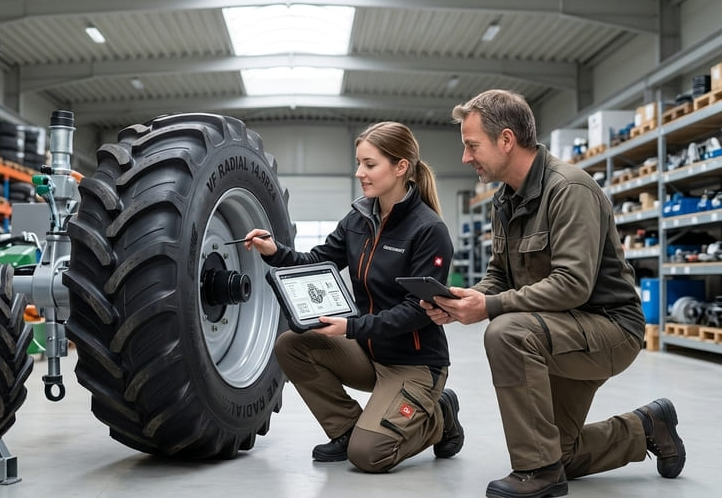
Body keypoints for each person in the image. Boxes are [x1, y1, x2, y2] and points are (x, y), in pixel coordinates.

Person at [421, 89, 685, 498]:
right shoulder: (505, 200)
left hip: (609, 328)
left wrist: (490, 308)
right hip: (559, 328)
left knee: (506, 332)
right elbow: (499, 274)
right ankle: (648, 427)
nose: (466, 158)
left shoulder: (569, 189)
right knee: (564, 451)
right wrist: (464, 300)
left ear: (506, 140)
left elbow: (573, 284)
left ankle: (538, 473)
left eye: (472, 145)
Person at [242, 121, 463, 473]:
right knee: (292, 344)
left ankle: (439, 415)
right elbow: (317, 260)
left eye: (370, 164)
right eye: (358, 163)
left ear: (401, 167)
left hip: (414, 363)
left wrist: (353, 326)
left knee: (370, 455)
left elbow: (417, 312)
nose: (360, 173)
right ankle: (346, 429)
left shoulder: (428, 230)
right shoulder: (359, 219)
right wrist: (274, 251)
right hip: (369, 352)